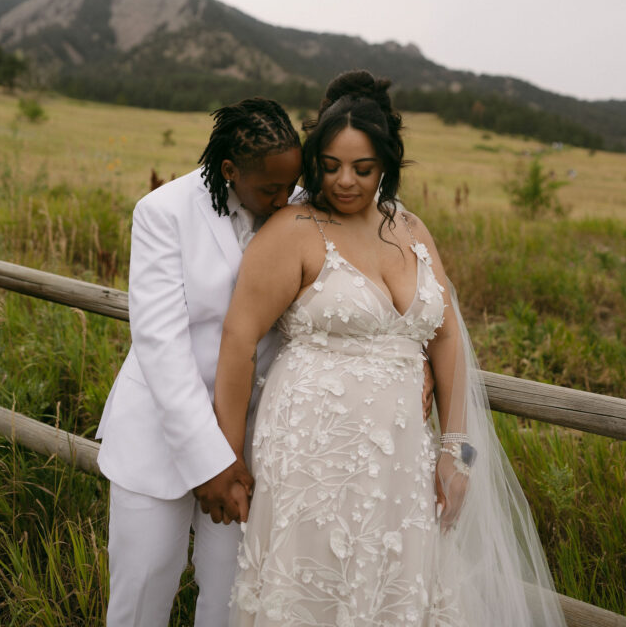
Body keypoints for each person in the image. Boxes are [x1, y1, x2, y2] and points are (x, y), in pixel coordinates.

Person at [214, 71, 567, 626]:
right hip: (310, 452)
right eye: (330, 166)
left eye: (363, 168)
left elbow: (447, 337)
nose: (345, 181)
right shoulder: (291, 230)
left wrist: (457, 451)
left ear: (387, 163)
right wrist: (228, 459)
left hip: (402, 456)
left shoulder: (411, 229)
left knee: (397, 590)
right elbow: (237, 340)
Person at [96, 98, 303, 627]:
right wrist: (210, 460)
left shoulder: (298, 206)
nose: (284, 201)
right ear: (230, 170)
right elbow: (160, 342)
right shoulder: (163, 211)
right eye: (270, 190)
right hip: (160, 436)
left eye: (290, 186)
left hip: (254, 443)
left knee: (234, 600)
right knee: (142, 594)